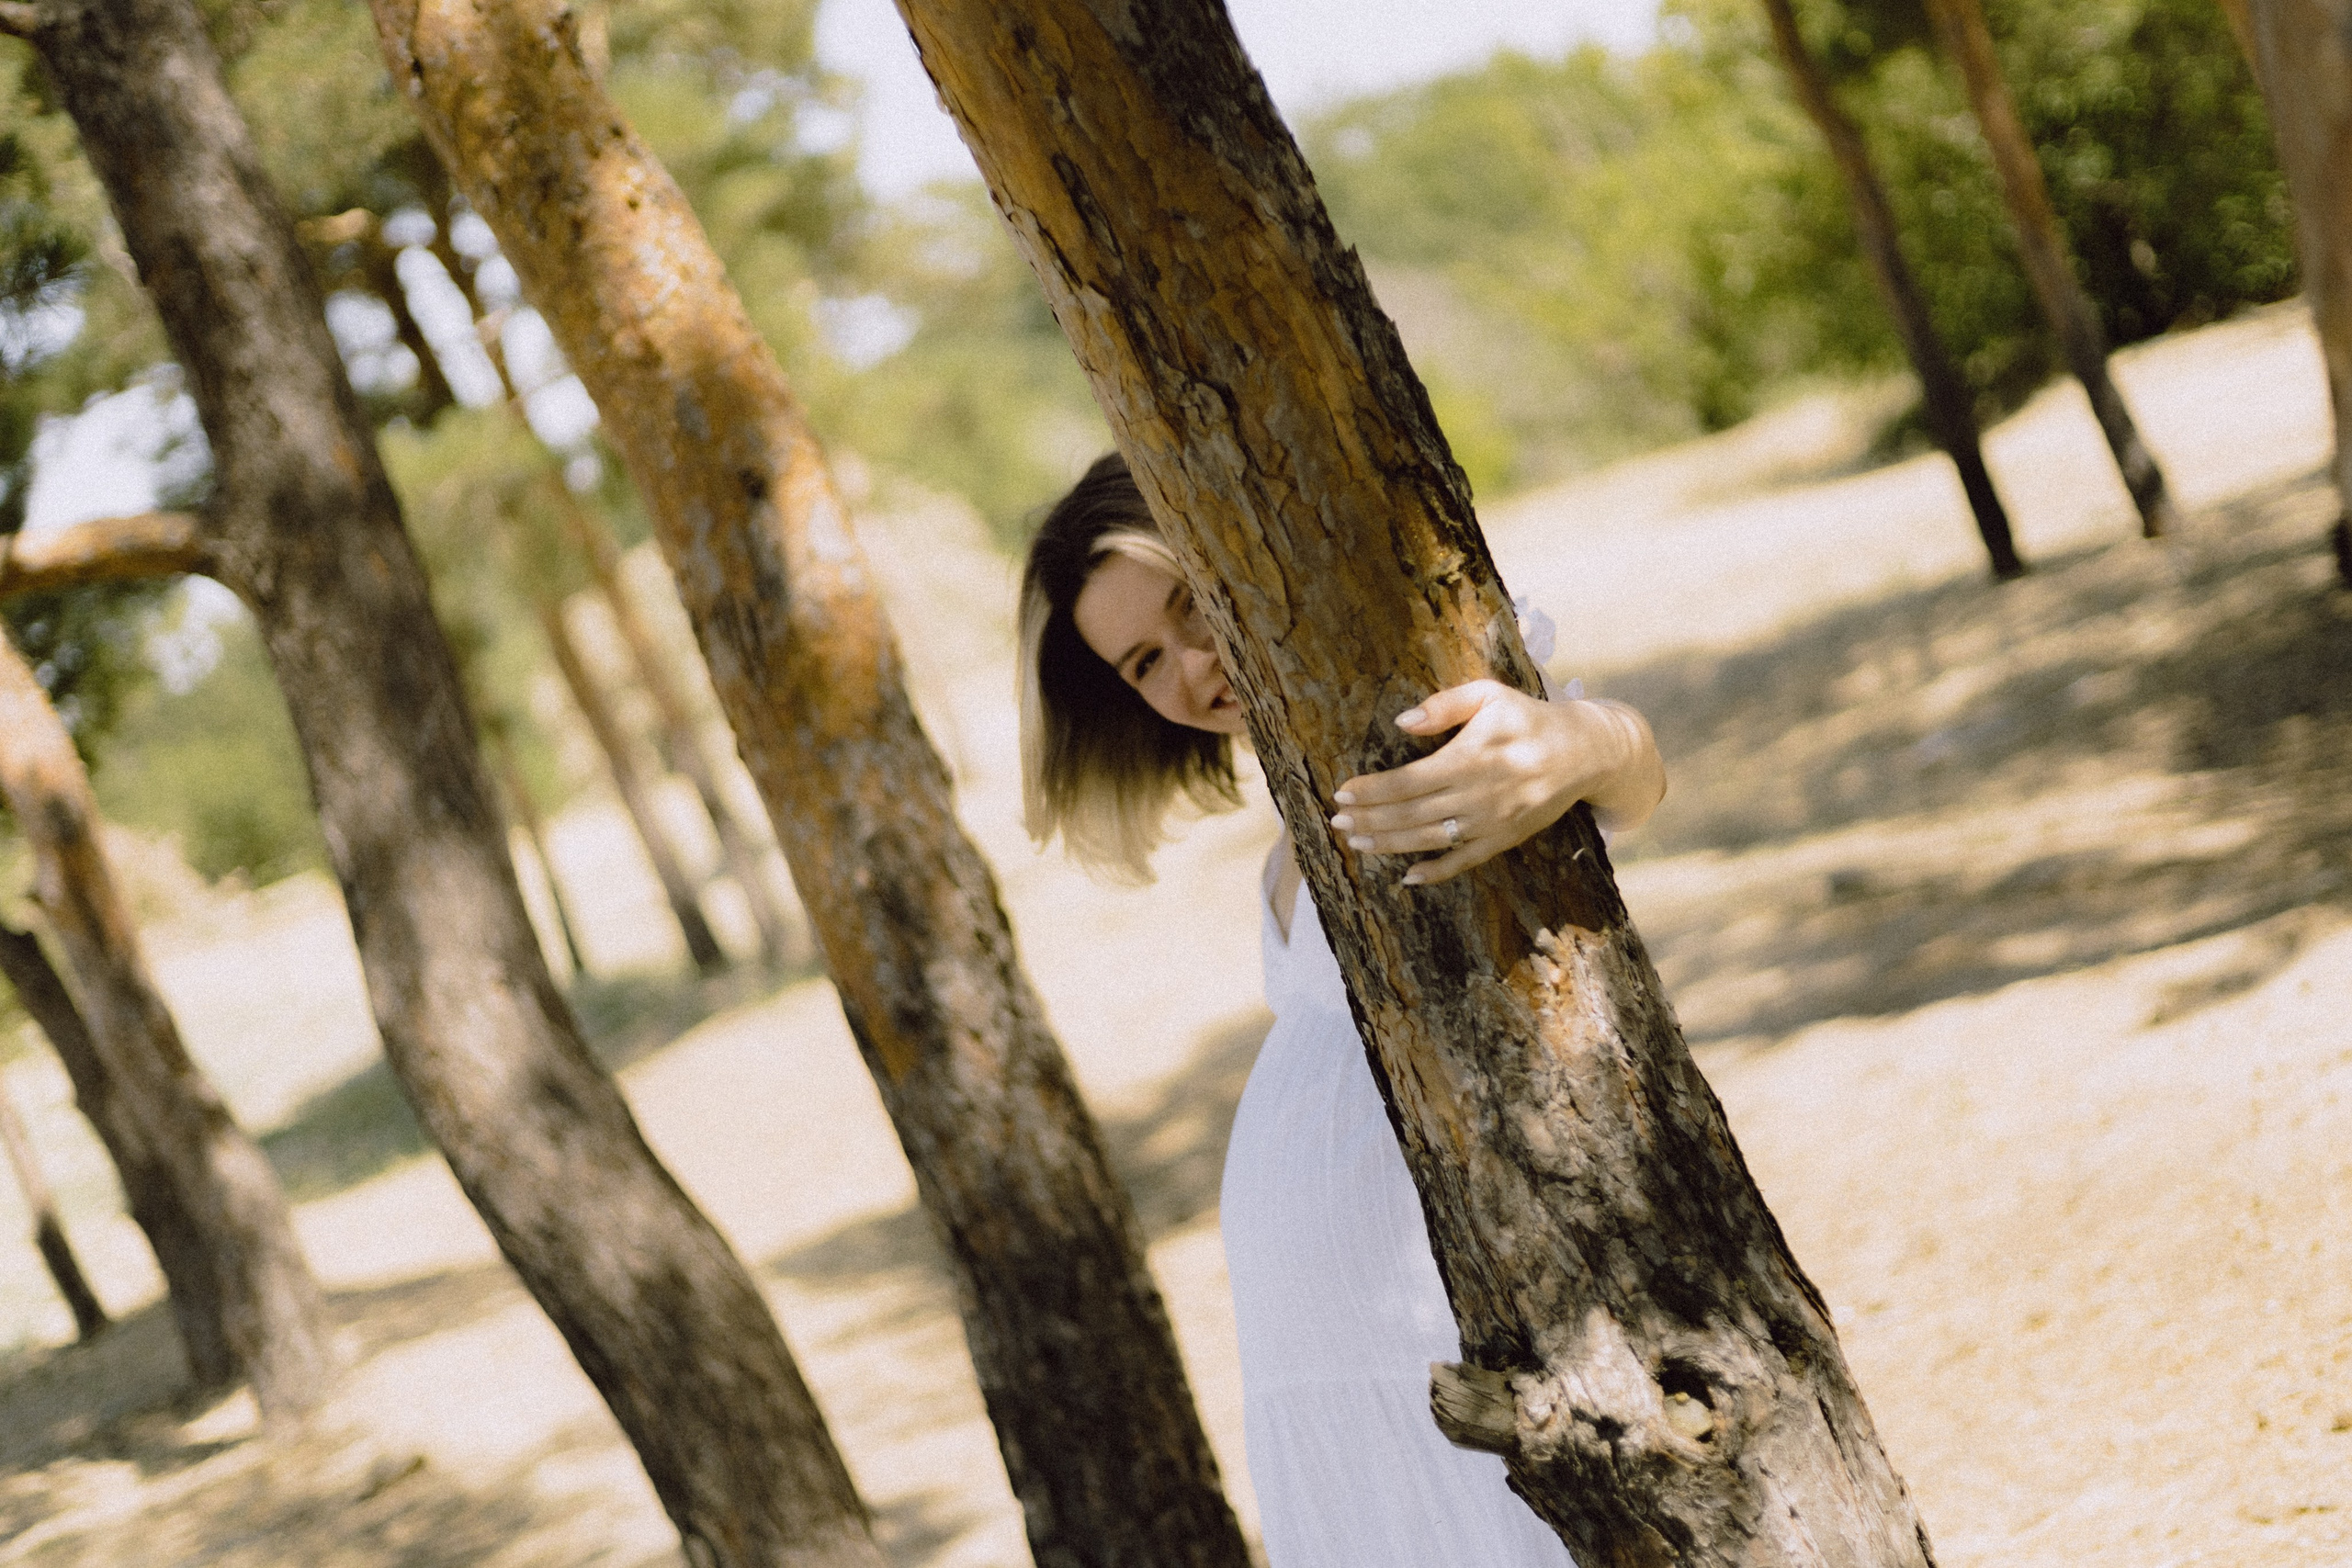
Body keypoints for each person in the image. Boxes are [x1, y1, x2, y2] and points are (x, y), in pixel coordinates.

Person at [1017, 452, 1666, 1566]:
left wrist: (1584, 743)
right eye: (1142, 663)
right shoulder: (1287, 827)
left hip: (1449, 1339)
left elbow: (1614, 766)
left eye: (1187, 603)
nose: (1190, 665)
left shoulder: (1405, 722)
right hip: (1325, 1383)